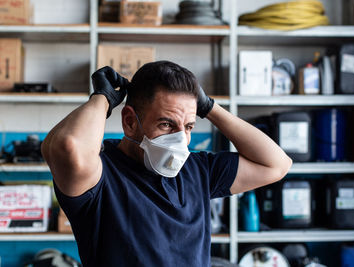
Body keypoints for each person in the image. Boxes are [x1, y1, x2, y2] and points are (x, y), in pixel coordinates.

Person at [41, 61, 292, 267]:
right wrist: (102, 99)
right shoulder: (102, 175)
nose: (180, 139)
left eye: (189, 127)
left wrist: (210, 108)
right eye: (166, 124)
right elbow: (68, 147)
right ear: (129, 122)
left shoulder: (198, 170)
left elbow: (276, 164)